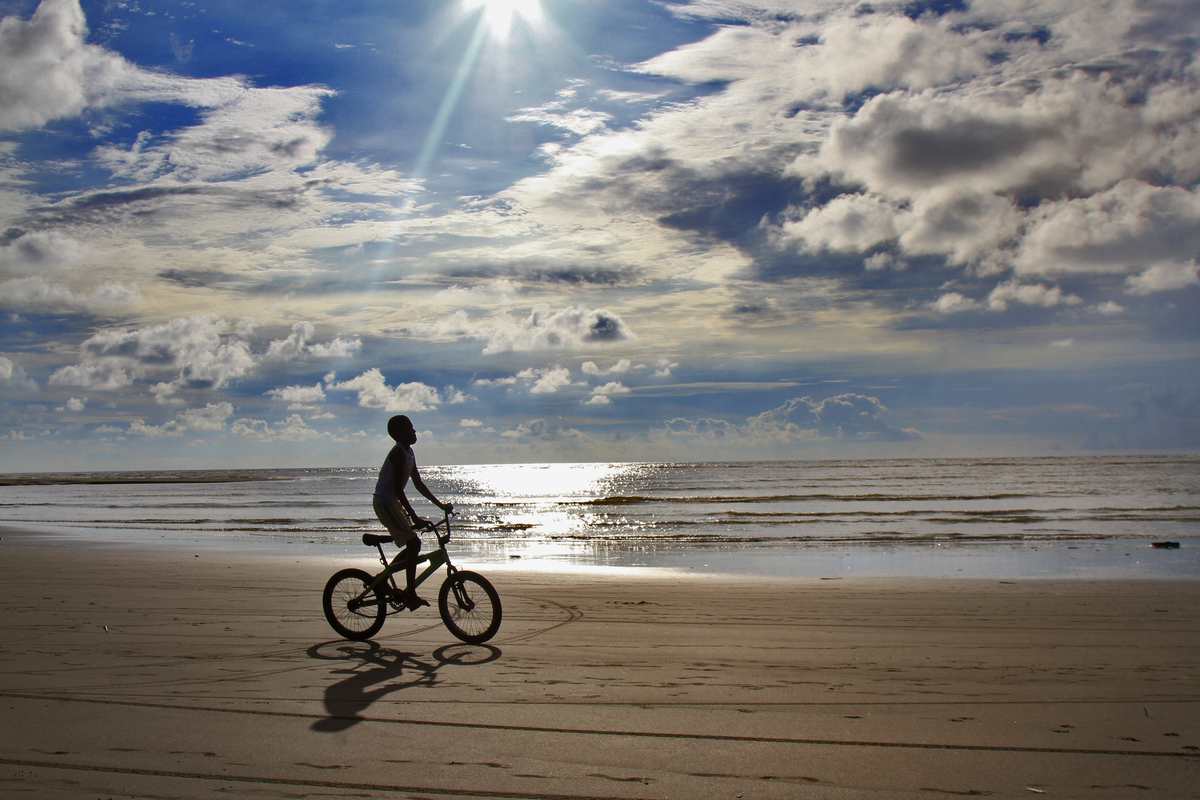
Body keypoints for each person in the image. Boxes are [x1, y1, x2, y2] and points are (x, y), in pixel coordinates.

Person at [371, 414, 452, 609]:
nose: (414, 431)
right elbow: (399, 490)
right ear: (399, 434)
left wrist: (440, 505)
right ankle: (410, 593)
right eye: (410, 429)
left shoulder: (409, 452)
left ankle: (383, 578)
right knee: (414, 543)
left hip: (392, 503)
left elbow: (418, 484)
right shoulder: (398, 453)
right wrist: (414, 515)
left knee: (412, 545)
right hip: (385, 502)